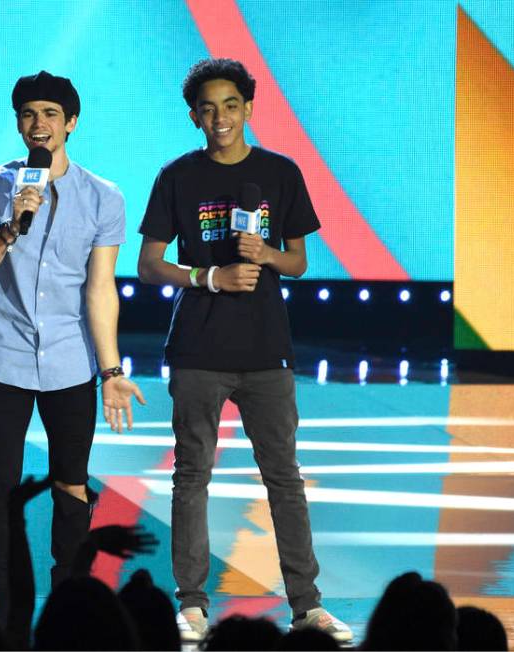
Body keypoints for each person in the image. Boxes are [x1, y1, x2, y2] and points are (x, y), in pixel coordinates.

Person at [136, 58, 352, 644]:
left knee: (284, 478)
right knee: (192, 475)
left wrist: (264, 256)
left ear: (249, 108)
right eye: (208, 108)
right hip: (199, 349)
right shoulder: (176, 175)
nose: (221, 117)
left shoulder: (281, 174)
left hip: (266, 351)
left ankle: (306, 606)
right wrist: (210, 278)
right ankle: (192, 603)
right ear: (194, 117)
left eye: (231, 105)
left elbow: (298, 262)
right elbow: (149, 264)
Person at [0, 71, 145, 619]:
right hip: (4, 350)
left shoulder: (102, 196)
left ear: (71, 122)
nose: (38, 124)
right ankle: (3, 591)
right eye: (27, 114)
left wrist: (111, 372)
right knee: (1, 478)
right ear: (17, 124)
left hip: (70, 357)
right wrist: (9, 229)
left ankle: (70, 590)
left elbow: (100, 288)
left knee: (71, 477)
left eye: (49, 114)